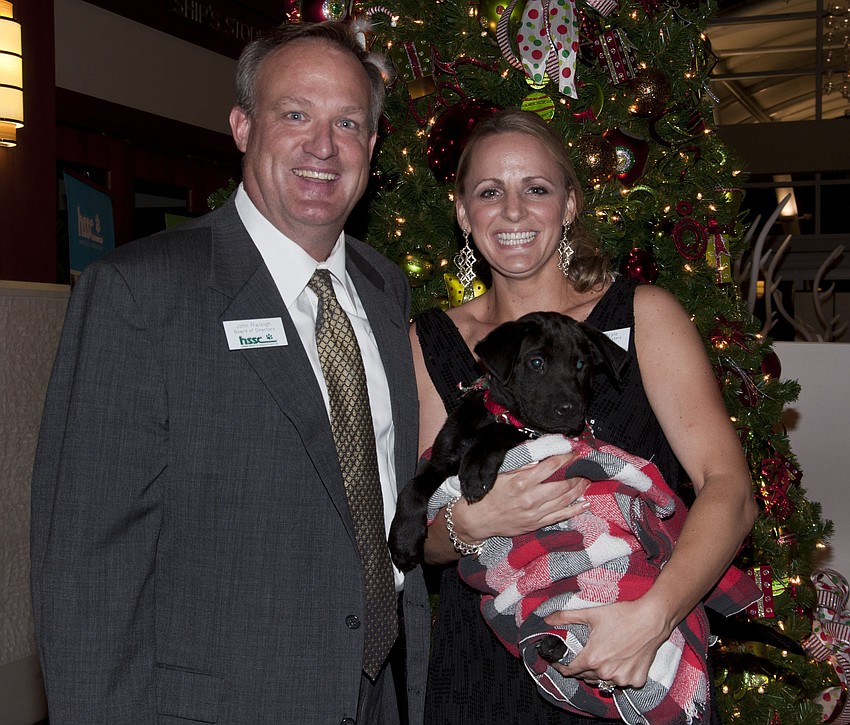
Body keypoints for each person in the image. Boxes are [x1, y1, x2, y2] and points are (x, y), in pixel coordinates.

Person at [30, 21, 430, 725]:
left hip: (378, 698)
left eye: (347, 122)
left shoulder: (384, 288)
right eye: (296, 114)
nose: (323, 146)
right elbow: (86, 573)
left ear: (370, 146)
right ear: (244, 126)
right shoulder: (140, 294)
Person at [413, 109, 759, 724]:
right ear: (464, 214)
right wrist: (473, 522)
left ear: (569, 204)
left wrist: (654, 617)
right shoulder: (434, 339)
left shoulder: (642, 314)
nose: (514, 212)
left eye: (537, 189)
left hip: (637, 645)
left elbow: (729, 489)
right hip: (487, 670)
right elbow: (426, 537)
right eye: (490, 192)